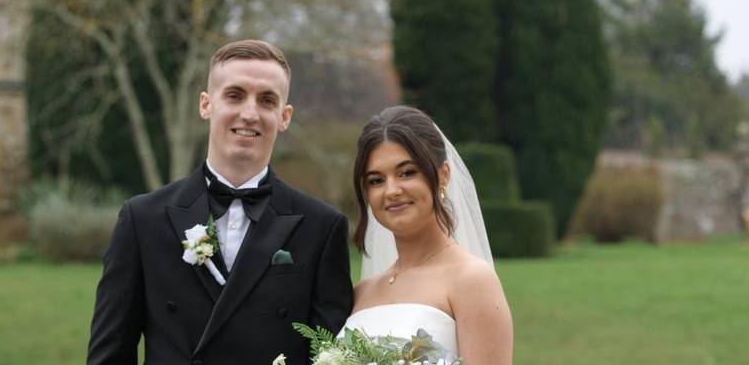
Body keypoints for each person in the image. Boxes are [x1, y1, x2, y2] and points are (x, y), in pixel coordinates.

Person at [88, 40, 353, 365]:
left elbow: (331, 357)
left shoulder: (322, 228)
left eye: (266, 100)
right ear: (206, 104)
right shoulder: (142, 219)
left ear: (284, 117)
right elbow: (109, 355)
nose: (250, 113)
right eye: (235, 95)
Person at [345, 106, 514, 364]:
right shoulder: (361, 292)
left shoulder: (472, 281)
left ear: (443, 175)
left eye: (407, 173)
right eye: (376, 180)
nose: (391, 190)